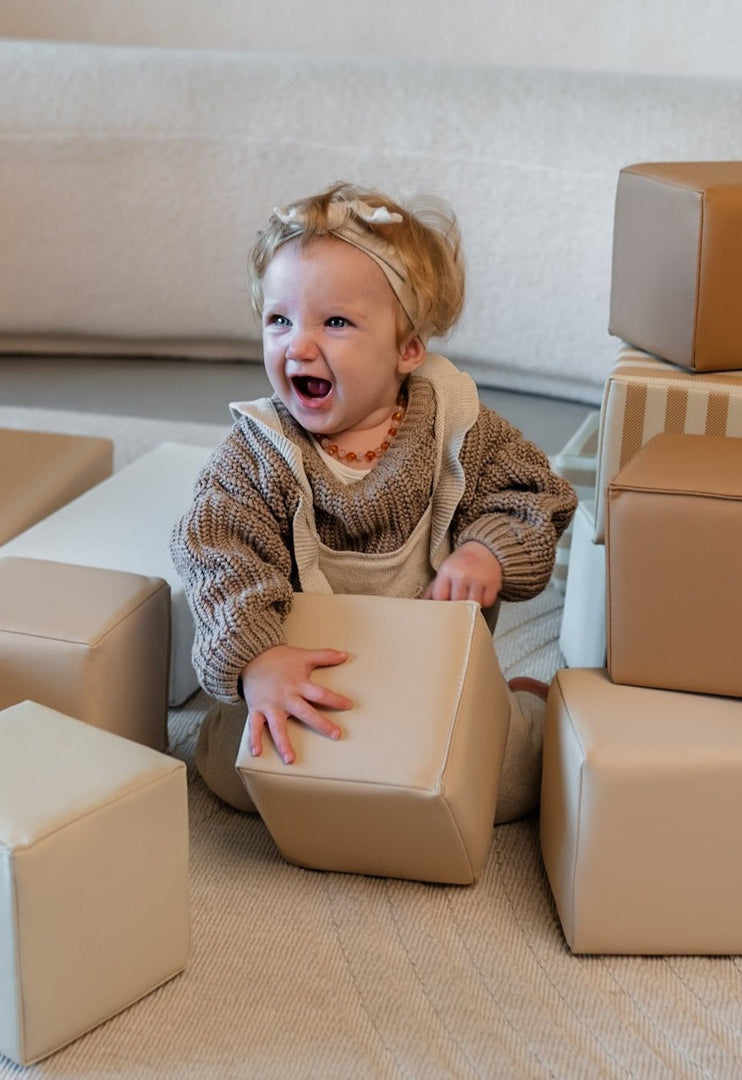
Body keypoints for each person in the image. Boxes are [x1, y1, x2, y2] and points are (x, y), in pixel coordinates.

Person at [170, 182, 576, 822]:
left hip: (429, 677)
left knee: (507, 787)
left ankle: (523, 700)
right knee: (231, 770)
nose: (298, 346)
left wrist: (484, 551)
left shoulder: (456, 427)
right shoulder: (257, 454)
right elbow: (218, 556)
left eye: (334, 322)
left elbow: (535, 494)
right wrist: (259, 660)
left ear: (407, 348)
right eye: (279, 320)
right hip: (309, 671)